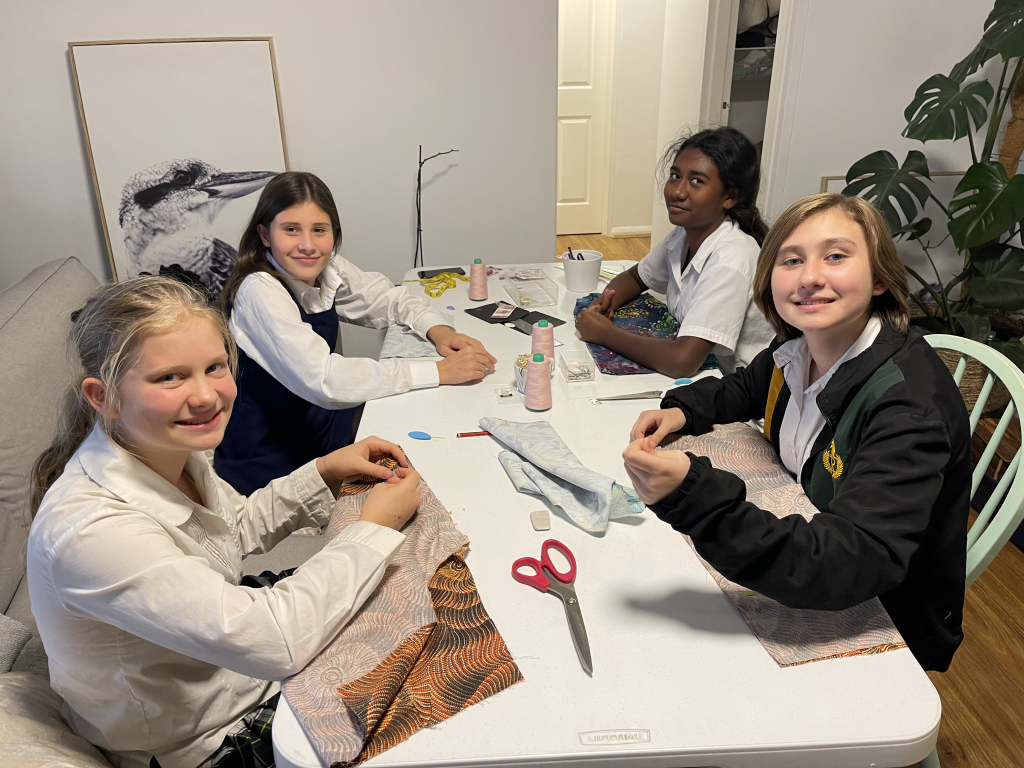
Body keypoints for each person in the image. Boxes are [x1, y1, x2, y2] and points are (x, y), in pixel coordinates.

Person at [27, 277, 423, 768]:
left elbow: (229, 531)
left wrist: (323, 471)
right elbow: (277, 642)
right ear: (102, 396)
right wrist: (374, 527)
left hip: (235, 663)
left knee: (415, 585)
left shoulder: (167, 448)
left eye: (215, 367)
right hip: (205, 741)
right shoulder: (93, 530)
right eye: (170, 377)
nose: (206, 396)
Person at [621, 193, 971, 672]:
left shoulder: (908, 407)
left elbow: (845, 564)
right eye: (791, 259)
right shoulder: (802, 346)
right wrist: (685, 410)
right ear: (770, 279)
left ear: (881, 280)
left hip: (885, 615)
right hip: (806, 538)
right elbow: (748, 385)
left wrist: (694, 498)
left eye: (836, 256)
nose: (810, 277)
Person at [215, 171, 496, 494]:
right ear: (264, 235)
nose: (307, 245)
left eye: (319, 230)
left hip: (317, 424)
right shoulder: (258, 290)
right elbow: (326, 380)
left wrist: (439, 330)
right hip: (271, 454)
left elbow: (388, 299)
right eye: (291, 230)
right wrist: (438, 371)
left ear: (333, 234)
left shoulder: (328, 267)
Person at [575, 127, 774, 376]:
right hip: (704, 370)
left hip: (736, 390)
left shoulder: (730, 259)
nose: (677, 192)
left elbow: (682, 362)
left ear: (729, 197)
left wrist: (605, 334)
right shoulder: (686, 232)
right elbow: (636, 277)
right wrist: (607, 301)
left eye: (696, 181)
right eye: (675, 176)